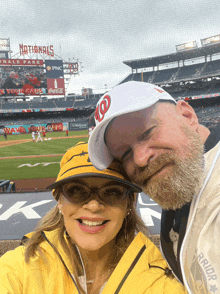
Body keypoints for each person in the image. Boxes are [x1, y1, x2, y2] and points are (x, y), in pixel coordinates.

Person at [0, 142, 186, 294]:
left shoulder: (159, 281)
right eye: (76, 191)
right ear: (59, 201)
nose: (94, 205)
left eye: (112, 192)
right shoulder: (18, 268)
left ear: (129, 204)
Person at [88, 81, 220, 294]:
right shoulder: (185, 187)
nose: (140, 159)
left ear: (187, 116)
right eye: (125, 154)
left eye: (148, 132)